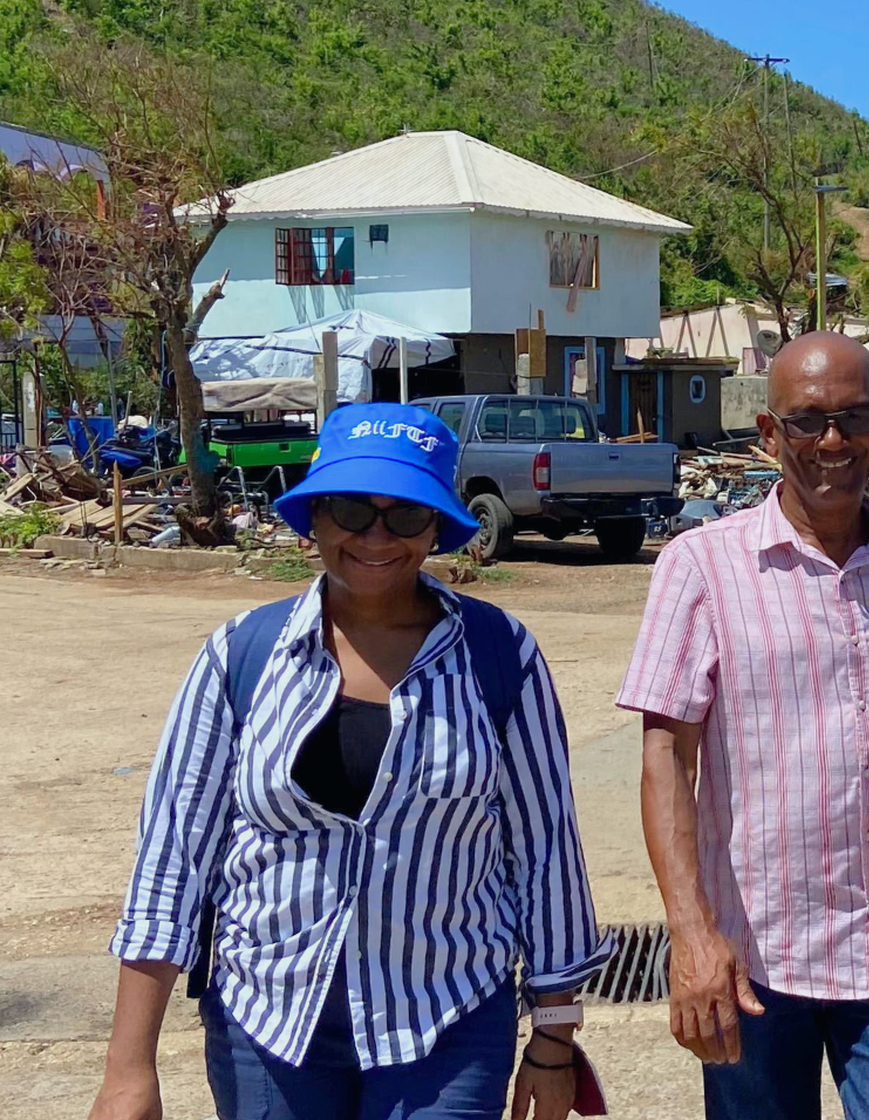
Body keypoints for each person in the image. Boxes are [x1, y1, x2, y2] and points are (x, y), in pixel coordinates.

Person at [89, 403, 608, 1120]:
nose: (375, 535)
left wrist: (554, 1038)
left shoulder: (499, 656)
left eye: (406, 516)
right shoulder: (241, 656)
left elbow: (545, 851)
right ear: (315, 518)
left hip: (446, 1024)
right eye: (351, 509)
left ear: (436, 528)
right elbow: (173, 860)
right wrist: (128, 1070)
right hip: (267, 1024)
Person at [619, 332, 869, 1120]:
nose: (832, 442)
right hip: (751, 955)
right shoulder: (702, 567)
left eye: (853, 418)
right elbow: (664, 762)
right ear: (769, 435)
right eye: (808, 421)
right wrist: (690, 935)